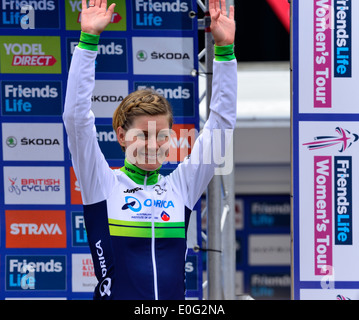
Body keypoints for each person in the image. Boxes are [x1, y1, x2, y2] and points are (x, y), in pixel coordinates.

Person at [63, 0, 237, 300]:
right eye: (143, 135)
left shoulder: (180, 187)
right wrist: (89, 40)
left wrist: (225, 51)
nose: (154, 145)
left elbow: (221, 125)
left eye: (162, 135)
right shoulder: (103, 186)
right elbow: (76, 119)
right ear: (121, 136)